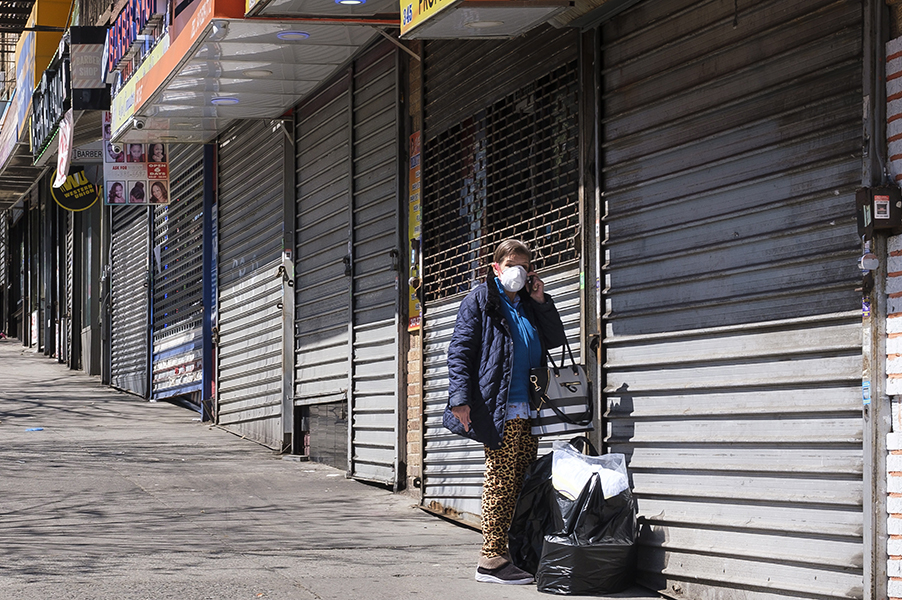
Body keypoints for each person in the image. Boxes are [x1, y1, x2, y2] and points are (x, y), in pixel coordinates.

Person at [444, 238, 566, 585]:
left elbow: (555, 338)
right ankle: (491, 558)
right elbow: (460, 350)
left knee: (522, 478)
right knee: (501, 476)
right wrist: (460, 398)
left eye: (524, 266)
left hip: (529, 406)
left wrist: (542, 300)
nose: (518, 271)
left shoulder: (529, 301)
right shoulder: (481, 299)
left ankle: (511, 551)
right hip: (499, 404)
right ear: (496, 267)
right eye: (512, 264)